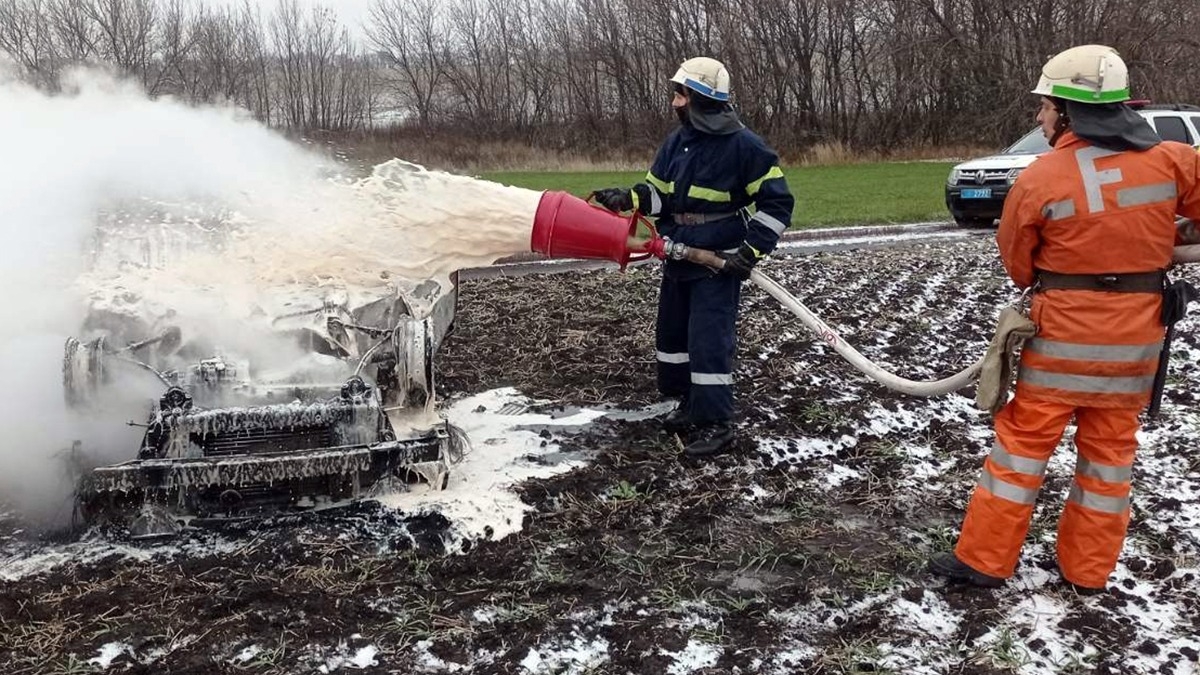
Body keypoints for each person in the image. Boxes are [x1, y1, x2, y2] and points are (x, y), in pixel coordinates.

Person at [929, 45, 1200, 593]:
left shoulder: (1039, 178)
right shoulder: (1176, 161)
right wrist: (1162, 240)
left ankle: (985, 562)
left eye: (1045, 106)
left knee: (1021, 452)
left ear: (1069, 113)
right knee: (1109, 463)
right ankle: (1087, 571)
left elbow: (1018, 265)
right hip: (1136, 348)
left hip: (1060, 344)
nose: (1039, 116)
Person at [591, 57, 795, 458]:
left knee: (708, 342)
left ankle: (718, 424)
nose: (674, 103)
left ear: (700, 99)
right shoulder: (676, 143)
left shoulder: (745, 147)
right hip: (678, 255)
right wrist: (626, 198)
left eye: (680, 95)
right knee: (674, 336)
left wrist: (749, 252)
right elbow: (657, 193)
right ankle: (689, 404)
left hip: (717, 262)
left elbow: (777, 204)